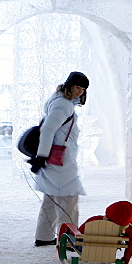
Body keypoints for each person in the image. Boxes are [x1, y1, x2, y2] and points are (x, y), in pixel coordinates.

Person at [30, 71, 89, 246]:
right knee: (68, 201)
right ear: (69, 85)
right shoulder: (64, 105)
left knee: (51, 198)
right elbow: (48, 130)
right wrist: (40, 156)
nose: (80, 92)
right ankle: (69, 241)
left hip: (54, 158)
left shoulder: (58, 100)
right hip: (61, 160)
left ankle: (44, 237)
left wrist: (42, 157)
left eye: (83, 89)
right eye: (77, 87)